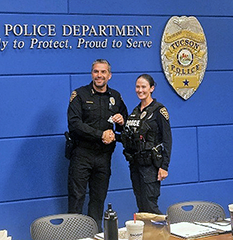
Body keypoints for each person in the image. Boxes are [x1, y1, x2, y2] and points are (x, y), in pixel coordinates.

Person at [67, 59, 128, 231]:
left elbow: (126, 124)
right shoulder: (79, 95)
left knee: (98, 199)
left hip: (104, 156)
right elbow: (74, 124)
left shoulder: (115, 97)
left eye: (103, 72)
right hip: (82, 154)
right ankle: (74, 235)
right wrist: (100, 134)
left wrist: (122, 122)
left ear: (109, 75)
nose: (99, 75)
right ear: (91, 73)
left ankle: (94, 234)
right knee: (76, 197)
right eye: (96, 71)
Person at [121, 74, 172, 214]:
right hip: (136, 164)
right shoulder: (135, 112)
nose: (140, 90)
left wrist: (164, 166)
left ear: (151, 88)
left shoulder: (159, 110)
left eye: (143, 86)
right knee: (141, 205)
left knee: (150, 206)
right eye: (137, 87)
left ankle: (162, 235)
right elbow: (129, 138)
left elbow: (167, 140)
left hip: (151, 166)